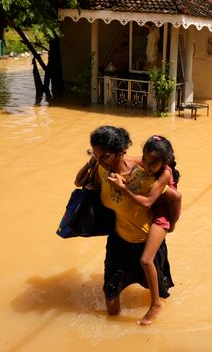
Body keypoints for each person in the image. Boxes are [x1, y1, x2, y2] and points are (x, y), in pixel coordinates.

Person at [74, 126, 181, 324]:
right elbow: (79, 181)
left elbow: (175, 198)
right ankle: (111, 329)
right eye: (96, 156)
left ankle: (155, 306)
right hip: (118, 241)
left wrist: (172, 225)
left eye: (104, 156)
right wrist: (93, 161)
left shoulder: (147, 175)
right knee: (110, 294)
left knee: (158, 291)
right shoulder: (100, 169)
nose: (100, 161)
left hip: (144, 242)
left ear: (120, 152)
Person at [107, 135, 180, 325]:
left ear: (164, 162)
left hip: (160, 216)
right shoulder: (149, 162)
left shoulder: (165, 172)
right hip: (149, 212)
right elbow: (128, 159)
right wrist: (101, 156)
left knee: (146, 260)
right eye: (145, 159)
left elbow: (148, 202)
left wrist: (122, 187)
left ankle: (156, 304)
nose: (146, 166)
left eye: (152, 163)